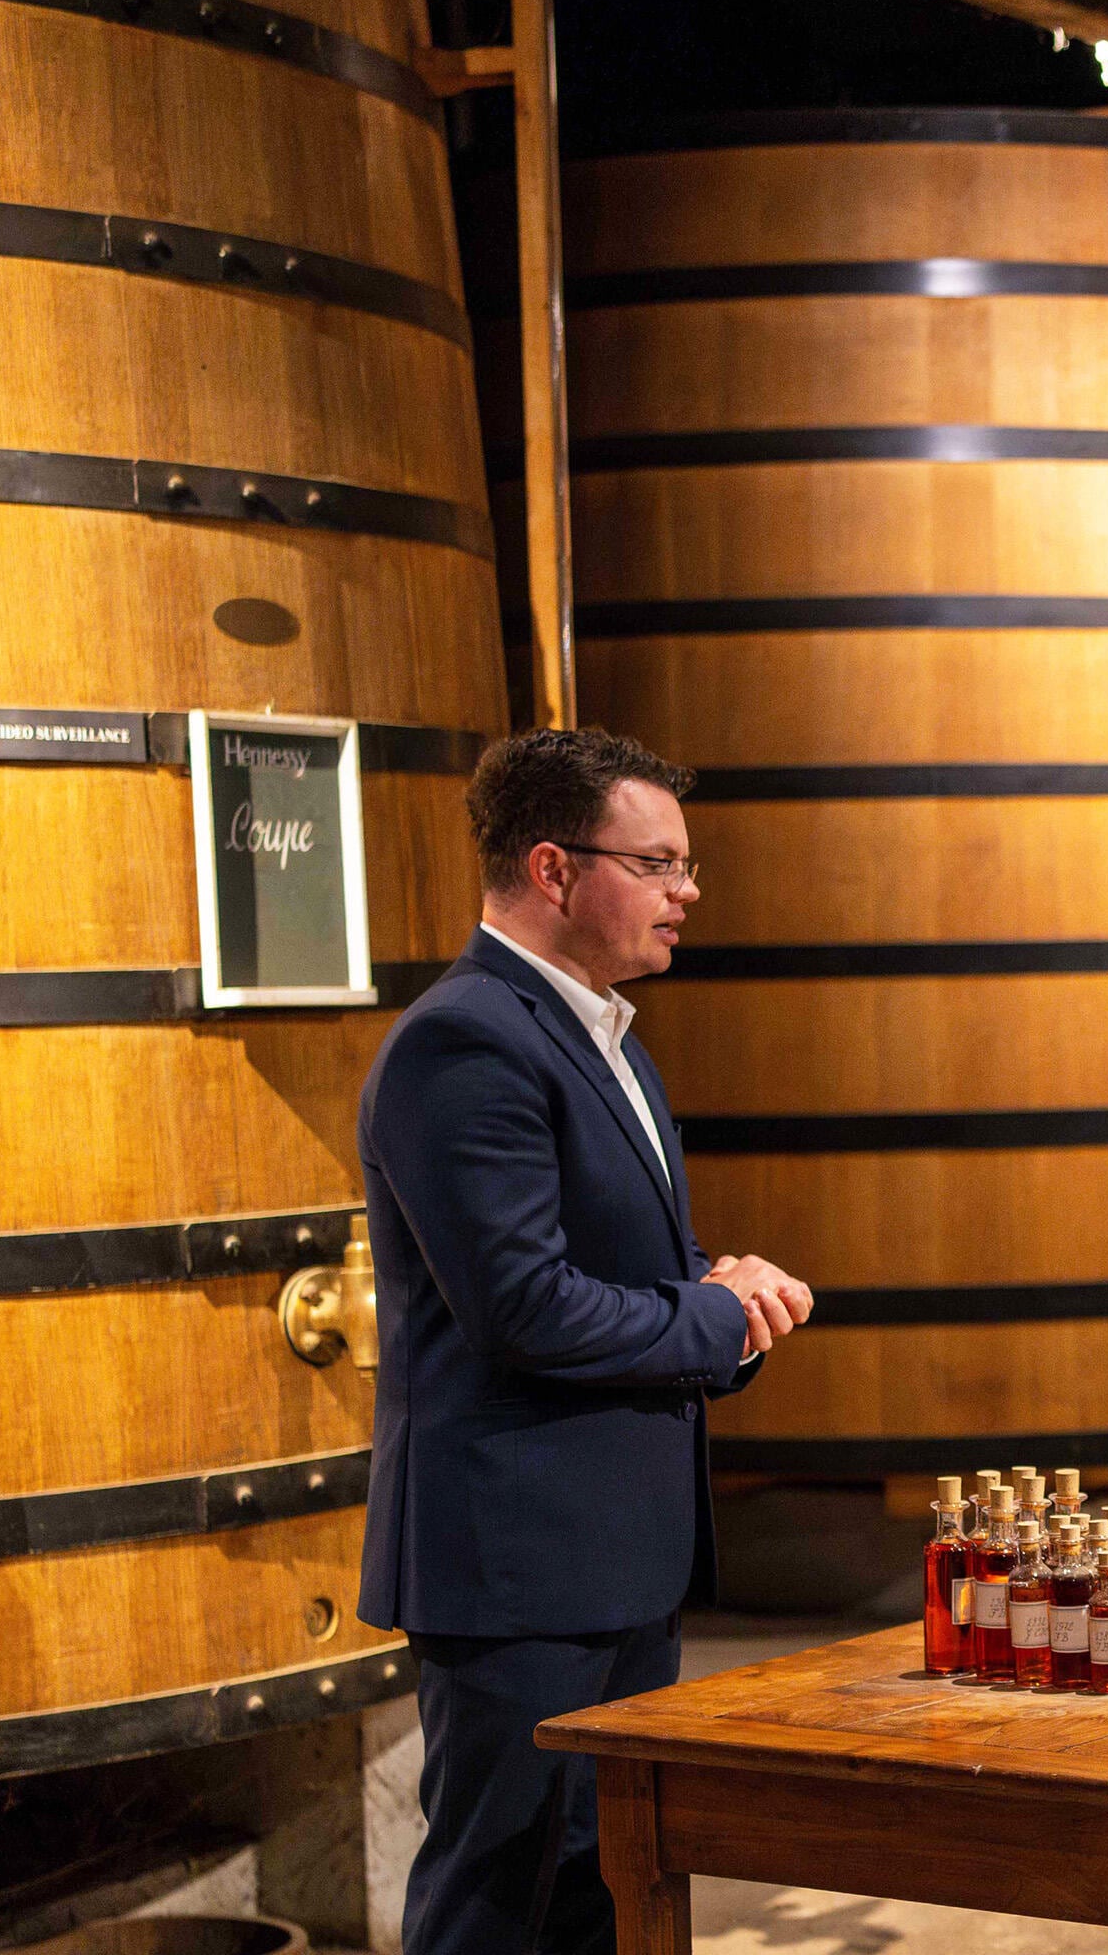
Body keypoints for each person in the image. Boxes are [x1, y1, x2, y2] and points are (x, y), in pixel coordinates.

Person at [358, 725, 812, 1955]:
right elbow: (523, 1307)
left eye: (687, 863)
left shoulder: (602, 1033)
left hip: (612, 1554)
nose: (688, 891)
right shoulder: (467, 1040)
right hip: (518, 1568)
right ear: (553, 868)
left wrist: (727, 1295)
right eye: (658, 863)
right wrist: (711, 1313)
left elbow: (620, 1270)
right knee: (502, 1902)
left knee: (601, 1892)